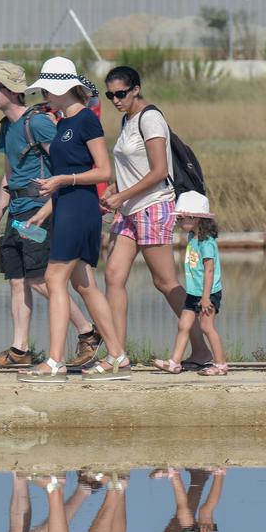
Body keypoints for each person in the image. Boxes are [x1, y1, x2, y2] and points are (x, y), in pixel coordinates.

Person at [0, 61, 101, 369]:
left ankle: (87, 331)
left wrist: (49, 209)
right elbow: (8, 175)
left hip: (36, 211)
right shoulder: (6, 127)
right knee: (17, 279)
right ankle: (19, 349)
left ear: (14, 92)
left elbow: (62, 164)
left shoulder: (39, 123)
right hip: (16, 212)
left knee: (40, 279)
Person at [17, 57, 130, 383]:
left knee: (54, 279)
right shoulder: (63, 123)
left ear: (61, 89)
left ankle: (55, 361)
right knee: (84, 284)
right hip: (66, 207)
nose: (43, 98)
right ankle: (118, 356)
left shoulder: (85, 121)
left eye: (46, 91)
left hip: (81, 208)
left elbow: (103, 171)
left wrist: (63, 180)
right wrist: (42, 213)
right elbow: (63, 178)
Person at [100, 65, 212, 368]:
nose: (115, 100)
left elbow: (160, 171)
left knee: (165, 282)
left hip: (152, 206)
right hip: (128, 210)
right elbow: (131, 168)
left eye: (120, 93)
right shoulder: (128, 120)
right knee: (113, 276)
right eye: (110, 95)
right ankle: (117, 354)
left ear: (136, 89)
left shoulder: (150, 119)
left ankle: (203, 345)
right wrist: (115, 190)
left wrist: (122, 195)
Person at [151, 192, 229, 376]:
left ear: (194, 218)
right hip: (194, 293)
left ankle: (220, 365)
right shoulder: (192, 238)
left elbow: (209, 271)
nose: (178, 221)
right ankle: (174, 362)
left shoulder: (206, 242)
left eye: (181, 218)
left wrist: (205, 297)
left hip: (207, 293)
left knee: (206, 327)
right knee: (184, 325)